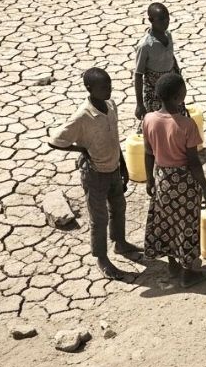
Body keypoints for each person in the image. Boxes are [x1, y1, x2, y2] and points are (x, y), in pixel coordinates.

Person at [48, 68, 142, 280]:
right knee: (99, 219)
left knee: (118, 207)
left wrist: (123, 166)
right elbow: (55, 140)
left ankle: (120, 243)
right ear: (89, 89)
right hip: (95, 174)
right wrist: (82, 150)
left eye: (109, 85)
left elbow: (115, 138)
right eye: (103, 87)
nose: (108, 90)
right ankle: (102, 259)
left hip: (114, 168)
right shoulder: (83, 116)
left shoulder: (110, 105)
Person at [141, 73, 206, 288]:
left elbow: (148, 153)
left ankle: (173, 264)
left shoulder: (148, 120)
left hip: (162, 178)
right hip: (184, 182)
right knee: (187, 225)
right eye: (183, 91)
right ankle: (188, 273)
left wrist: (149, 181)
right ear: (177, 97)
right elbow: (193, 162)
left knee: (167, 223)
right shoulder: (186, 125)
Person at [134, 3, 182, 119]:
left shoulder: (168, 35)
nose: (166, 22)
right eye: (161, 19)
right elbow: (138, 75)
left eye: (167, 18)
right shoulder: (145, 45)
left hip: (171, 88)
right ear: (151, 20)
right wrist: (140, 104)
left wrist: (178, 78)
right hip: (154, 92)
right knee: (158, 123)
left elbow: (171, 57)